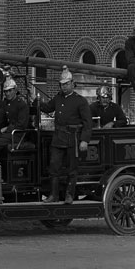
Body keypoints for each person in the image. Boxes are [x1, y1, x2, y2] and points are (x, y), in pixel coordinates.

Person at [38, 67, 92, 204]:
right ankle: (54, 195)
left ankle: (69, 195)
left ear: (72, 84)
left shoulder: (80, 101)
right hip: (58, 138)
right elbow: (47, 108)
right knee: (54, 167)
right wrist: (36, 102)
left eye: (66, 84)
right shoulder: (58, 98)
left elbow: (87, 123)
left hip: (73, 138)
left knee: (72, 169)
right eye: (62, 84)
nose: (64, 87)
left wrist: (84, 140)